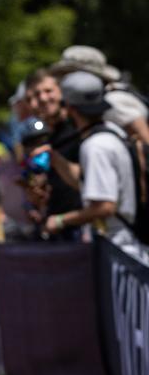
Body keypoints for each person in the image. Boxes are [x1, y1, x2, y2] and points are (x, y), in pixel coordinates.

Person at [42, 72, 141, 252]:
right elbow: (87, 184)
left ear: (70, 108)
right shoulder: (113, 132)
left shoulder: (95, 146)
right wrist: (56, 160)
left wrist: (59, 220)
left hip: (118, 249)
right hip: (125, 246)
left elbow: (104, 207)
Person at [23, 68, 83, 239]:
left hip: (87, 228)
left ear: (61, 91)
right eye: (35, 95)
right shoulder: (47, 137)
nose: (42, 98)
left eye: (48, 91)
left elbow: (89, 182)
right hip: (63, 232)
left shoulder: (79, 126)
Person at [50, 45, 149, 145]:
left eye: (70, 73)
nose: (66, 80)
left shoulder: (114, 100)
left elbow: (145, 139)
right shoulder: (99, 99)